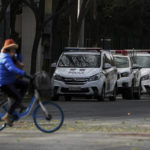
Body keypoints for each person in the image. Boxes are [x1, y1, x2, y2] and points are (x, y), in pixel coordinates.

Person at [0, 39, 31, 126]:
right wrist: (24, 73)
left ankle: (18, 103)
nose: (14, 51)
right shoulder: (5, 57)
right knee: (17, 97)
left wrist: (17, 57)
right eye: (13, 49)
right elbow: (11, 68)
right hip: (5, 83)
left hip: (11, 80)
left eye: (14, 49)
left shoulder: (10, 56)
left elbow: (19, 62)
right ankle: (7, 116)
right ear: (8, 49)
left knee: (25, 84)